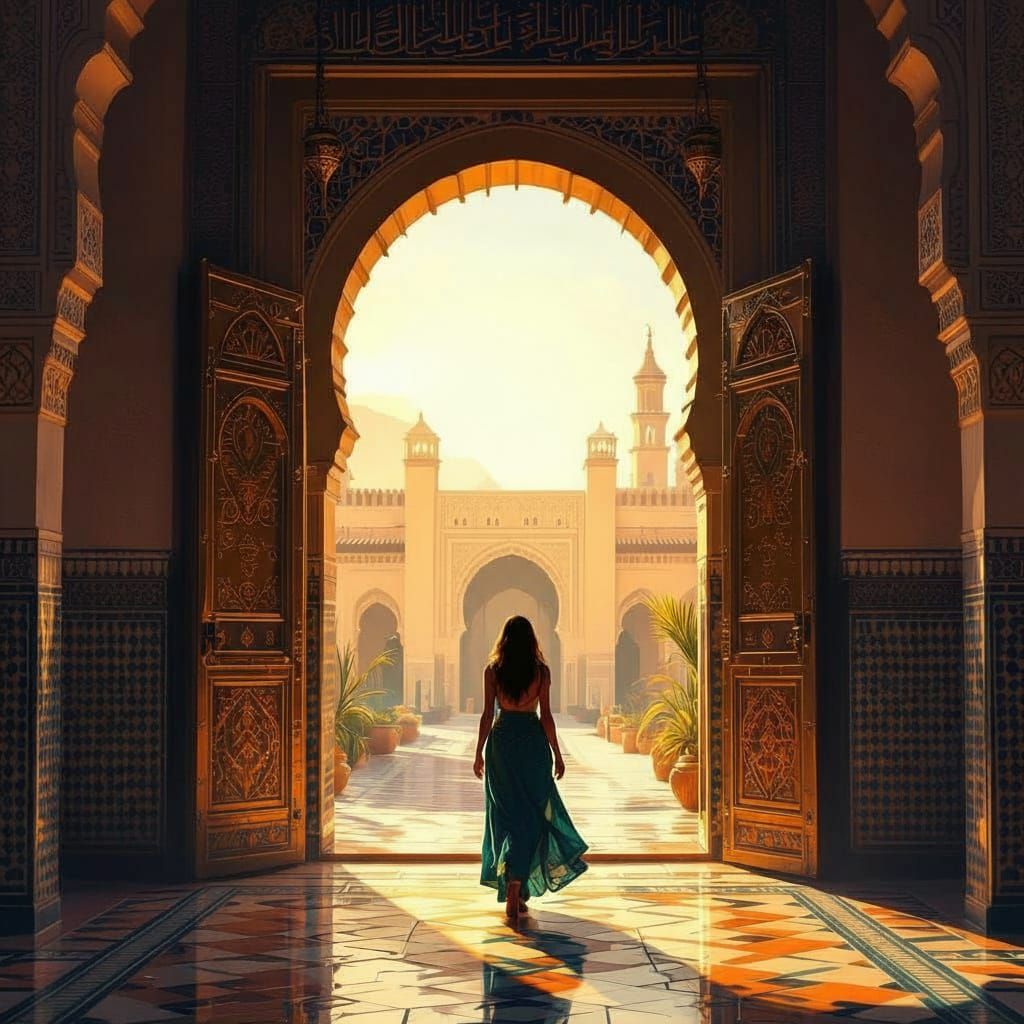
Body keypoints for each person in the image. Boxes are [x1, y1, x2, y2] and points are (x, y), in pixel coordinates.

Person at [473, 615, 588, 925]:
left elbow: (487, 715)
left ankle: (512, 877)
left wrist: (478, 753)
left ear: (504, 641)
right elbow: (547, 716)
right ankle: (519, 883)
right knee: (535, 815)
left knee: (506, 815)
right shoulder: (541, 672)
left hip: (502, 745)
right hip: (533, 744)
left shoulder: (493, 672)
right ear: (532, 641)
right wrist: (557, 753)